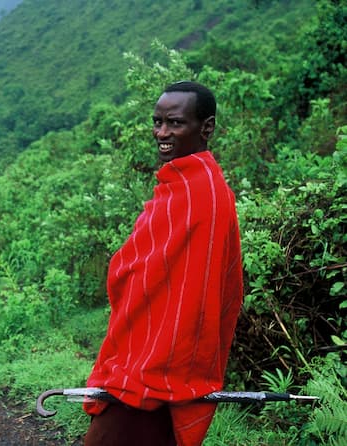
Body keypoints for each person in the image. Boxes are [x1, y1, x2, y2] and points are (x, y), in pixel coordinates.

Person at [83, 81, 243, 446]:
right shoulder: (180, 183)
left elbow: (199, 288)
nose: (162, 133)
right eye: (157, 122)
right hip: (149, 352)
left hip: (161, 360)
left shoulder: (204, 192)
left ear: (206, 127)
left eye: (175, 123)